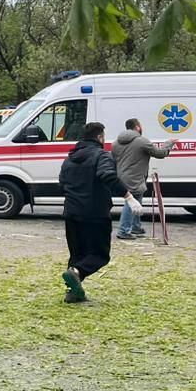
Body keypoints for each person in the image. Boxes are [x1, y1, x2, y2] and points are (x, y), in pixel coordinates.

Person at [59, 122, 133, 303]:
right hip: (95, 213)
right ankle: (76, 273)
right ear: (100, 137)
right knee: (99, 255)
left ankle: (73, 292)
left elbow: (62, 182)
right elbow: (107, 176)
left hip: (71, 213)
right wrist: (128, 195)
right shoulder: (102, 156)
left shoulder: (69, 159)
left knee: (77, 255)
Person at [112, 118, 175, 240]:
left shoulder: (116, 143)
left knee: (137, 201)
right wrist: (169, 144)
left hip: (122, 176)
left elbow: (113, 160)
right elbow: (160, 153)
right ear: (137, 127)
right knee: (131, 202)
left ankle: (136, 227)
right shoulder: (141, 141)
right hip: (135, 177)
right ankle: (123, 230)